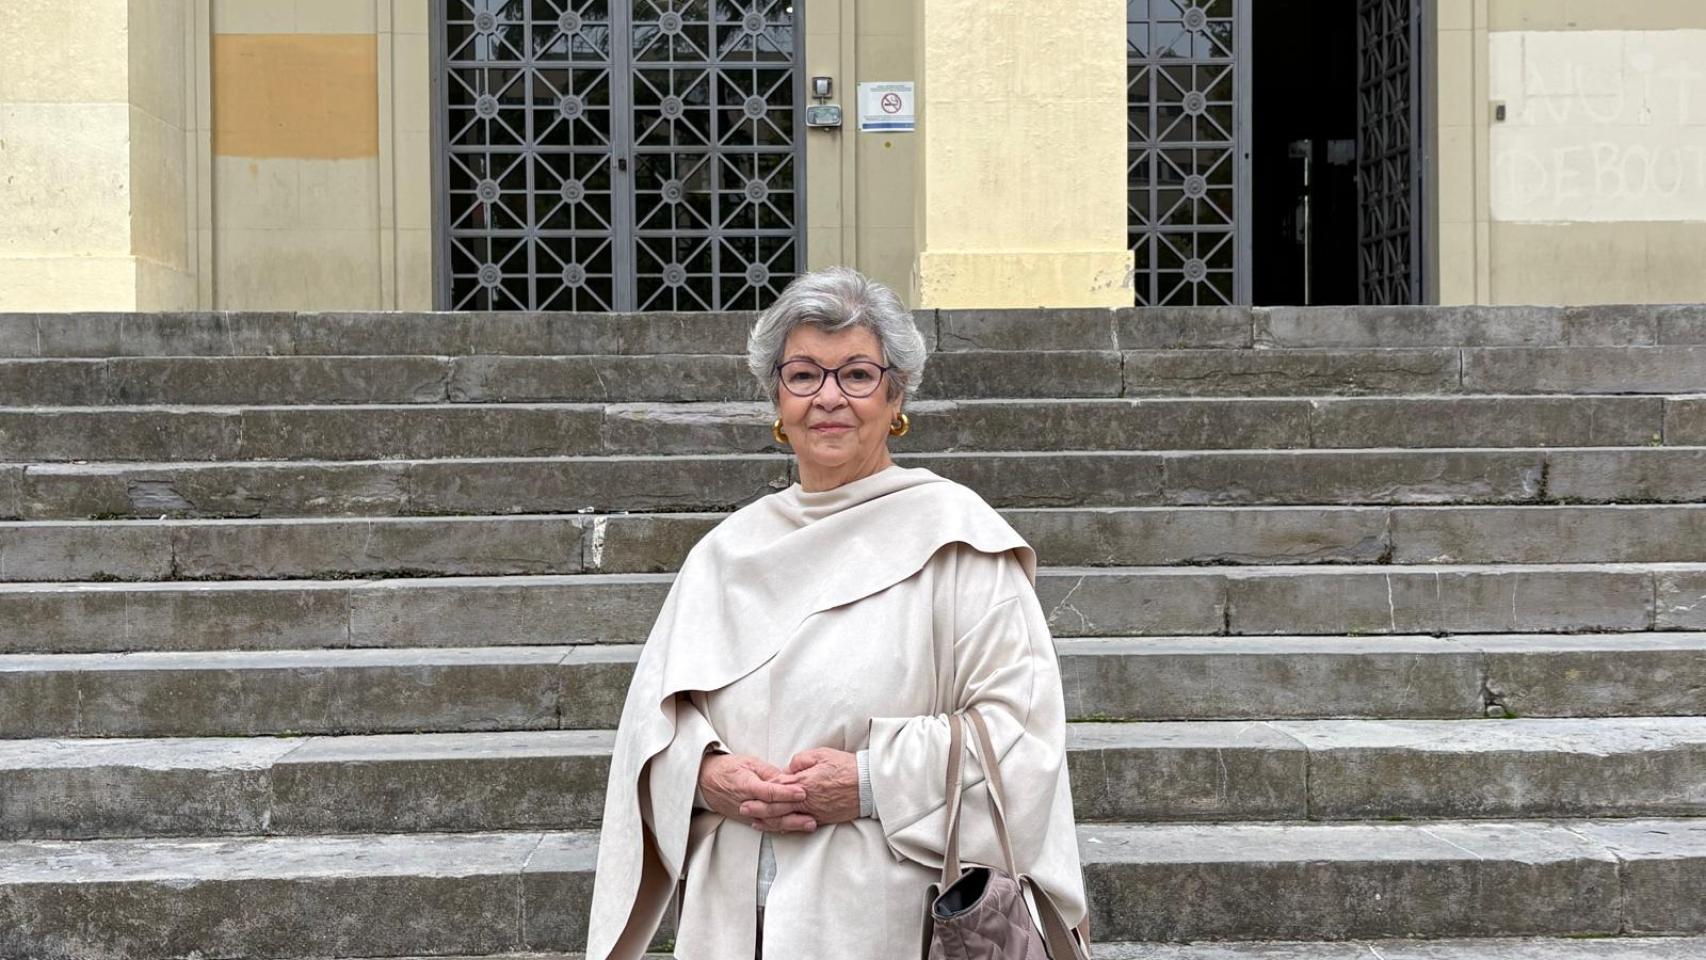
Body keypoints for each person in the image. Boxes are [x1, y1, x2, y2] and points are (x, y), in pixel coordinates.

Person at [585, 267, 1088, 959]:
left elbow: (1020, 732)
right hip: (734, 915)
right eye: (803, 375)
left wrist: (869, 782)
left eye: (856, 374)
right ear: (777, 397)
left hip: (886, 916)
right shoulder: (724, 555)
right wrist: (705, 777)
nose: (828, 398)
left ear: (895, 394)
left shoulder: (958, 540)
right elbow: (658, 726)